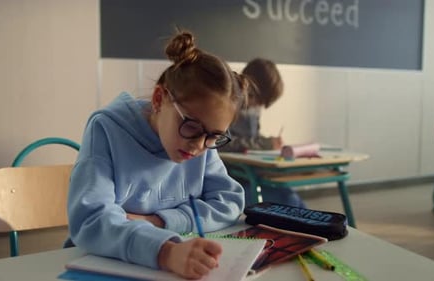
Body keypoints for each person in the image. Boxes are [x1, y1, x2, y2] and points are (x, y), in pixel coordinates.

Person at [66, 30, 250, 279]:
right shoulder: (107, 130)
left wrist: (160, 221)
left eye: (214, 136)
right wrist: (165, 252)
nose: (198, 146)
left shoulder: (201, 145)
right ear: (159, 99)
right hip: (100, 263)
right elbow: (91, 221)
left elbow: (230, 201)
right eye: (191, 126)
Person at [218, 58, 306, 208]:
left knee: (288, 194)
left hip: (250, 174)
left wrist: (269, 142)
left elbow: (252, 139)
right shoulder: (226, 101)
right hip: (232, 179)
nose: (257, 105)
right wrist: (265, 143)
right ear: (249, 88)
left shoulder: (253, 109)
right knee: (289, 200)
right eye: (257, 99)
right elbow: (221, 142)